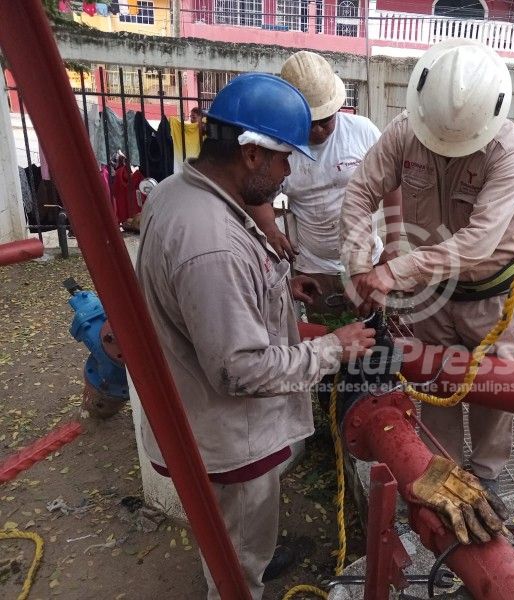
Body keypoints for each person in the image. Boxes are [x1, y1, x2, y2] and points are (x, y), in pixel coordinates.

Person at [135, 73, 376, 599]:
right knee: (236, 564)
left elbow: (214, 302)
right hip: (229, 437)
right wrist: (333, 349)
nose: (288, 174)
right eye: (284, 159)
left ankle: (251, 557)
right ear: (251, 154)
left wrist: (278, 285)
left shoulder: (180, 193)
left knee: (237, 536)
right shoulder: (213, 245)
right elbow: (239, 369)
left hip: (204, 417)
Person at [339, 41, 514, 492]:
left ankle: (487, 474)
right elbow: (361, 191)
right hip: (433, 290)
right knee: (435, 379)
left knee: (492, 388)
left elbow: (477, 242)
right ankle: (441, 473)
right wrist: (360, 264)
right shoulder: (404, 131)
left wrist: (393, 272)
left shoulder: (509, 154)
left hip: (491, 296)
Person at [247, 51, 401, 317]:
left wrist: (393, 243)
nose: (318, 130)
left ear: (337, 108)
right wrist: (270, 229)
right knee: (326, 332)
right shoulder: (278, 147)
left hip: (367, 260)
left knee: (373, 329)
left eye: (325, 121)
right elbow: (259, 197)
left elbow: (392, 185)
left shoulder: (362, 132)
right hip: (314, 267)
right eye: (310, 123)